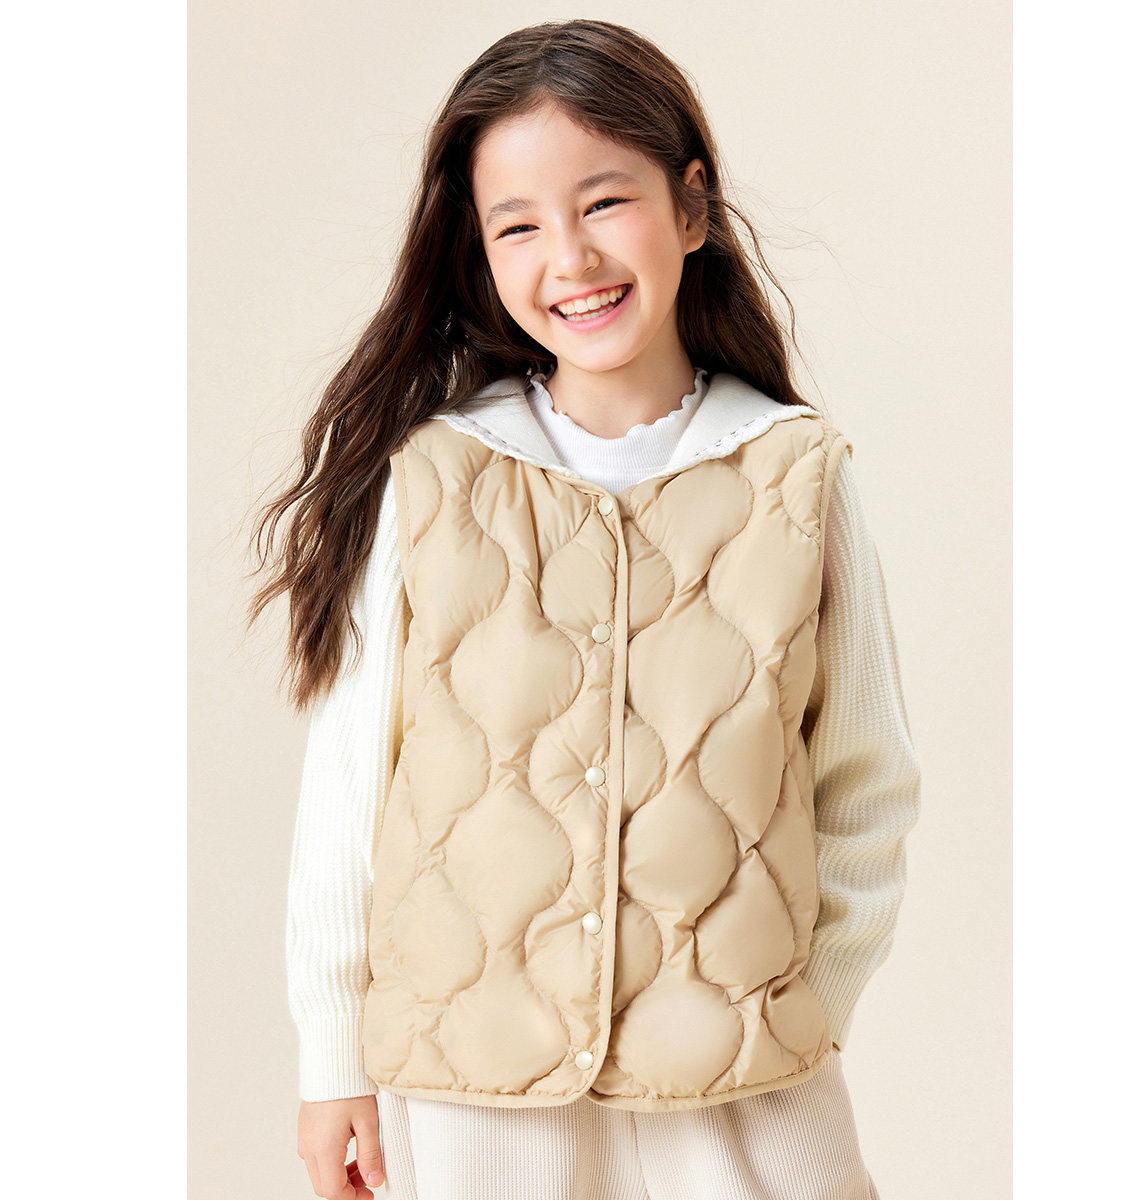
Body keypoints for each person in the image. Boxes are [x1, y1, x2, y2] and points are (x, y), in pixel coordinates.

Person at [247, 19, 921, 1200]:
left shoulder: (797, 473)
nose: (570, 257)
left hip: (740, 1085)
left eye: (605, 202)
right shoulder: (434, 477)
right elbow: (351, 790)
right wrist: (332, 1058)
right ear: (480, 254)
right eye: (518, 226)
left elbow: (865, 782)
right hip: (472, 1089)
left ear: (691, 207)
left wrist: (802, 1003)